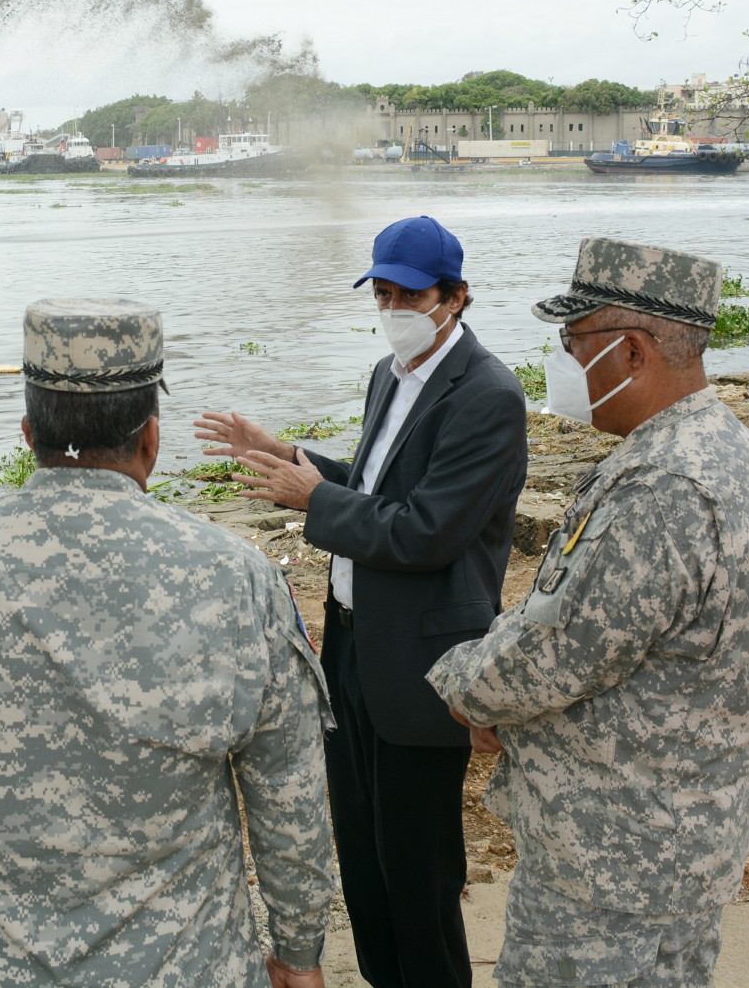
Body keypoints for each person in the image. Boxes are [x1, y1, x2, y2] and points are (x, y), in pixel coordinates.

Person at [0, 297, 336, 988]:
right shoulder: (235, 578)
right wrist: (299, 950)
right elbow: (289, 792)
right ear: (151, 439)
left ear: (27, 432)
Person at [428, 237, 749, 988]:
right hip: (681, 844)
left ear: (630, 352)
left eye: (573, 341)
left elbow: (557, 650)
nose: (563, 360)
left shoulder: (662, 487)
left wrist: (465, 688)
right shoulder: (730, 450)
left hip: (610, 863)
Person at [197, 215, 529, 988]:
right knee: (366, 864)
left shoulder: (488, 394)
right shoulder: (390, 373)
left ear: (455, 296)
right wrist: (289, 455)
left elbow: (426, 530)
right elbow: (377, 487)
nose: (393, 308)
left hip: (424, 660)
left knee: (419, 875)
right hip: (353, 645)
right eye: (381, 293)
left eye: (408, 295)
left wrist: (312, 498)